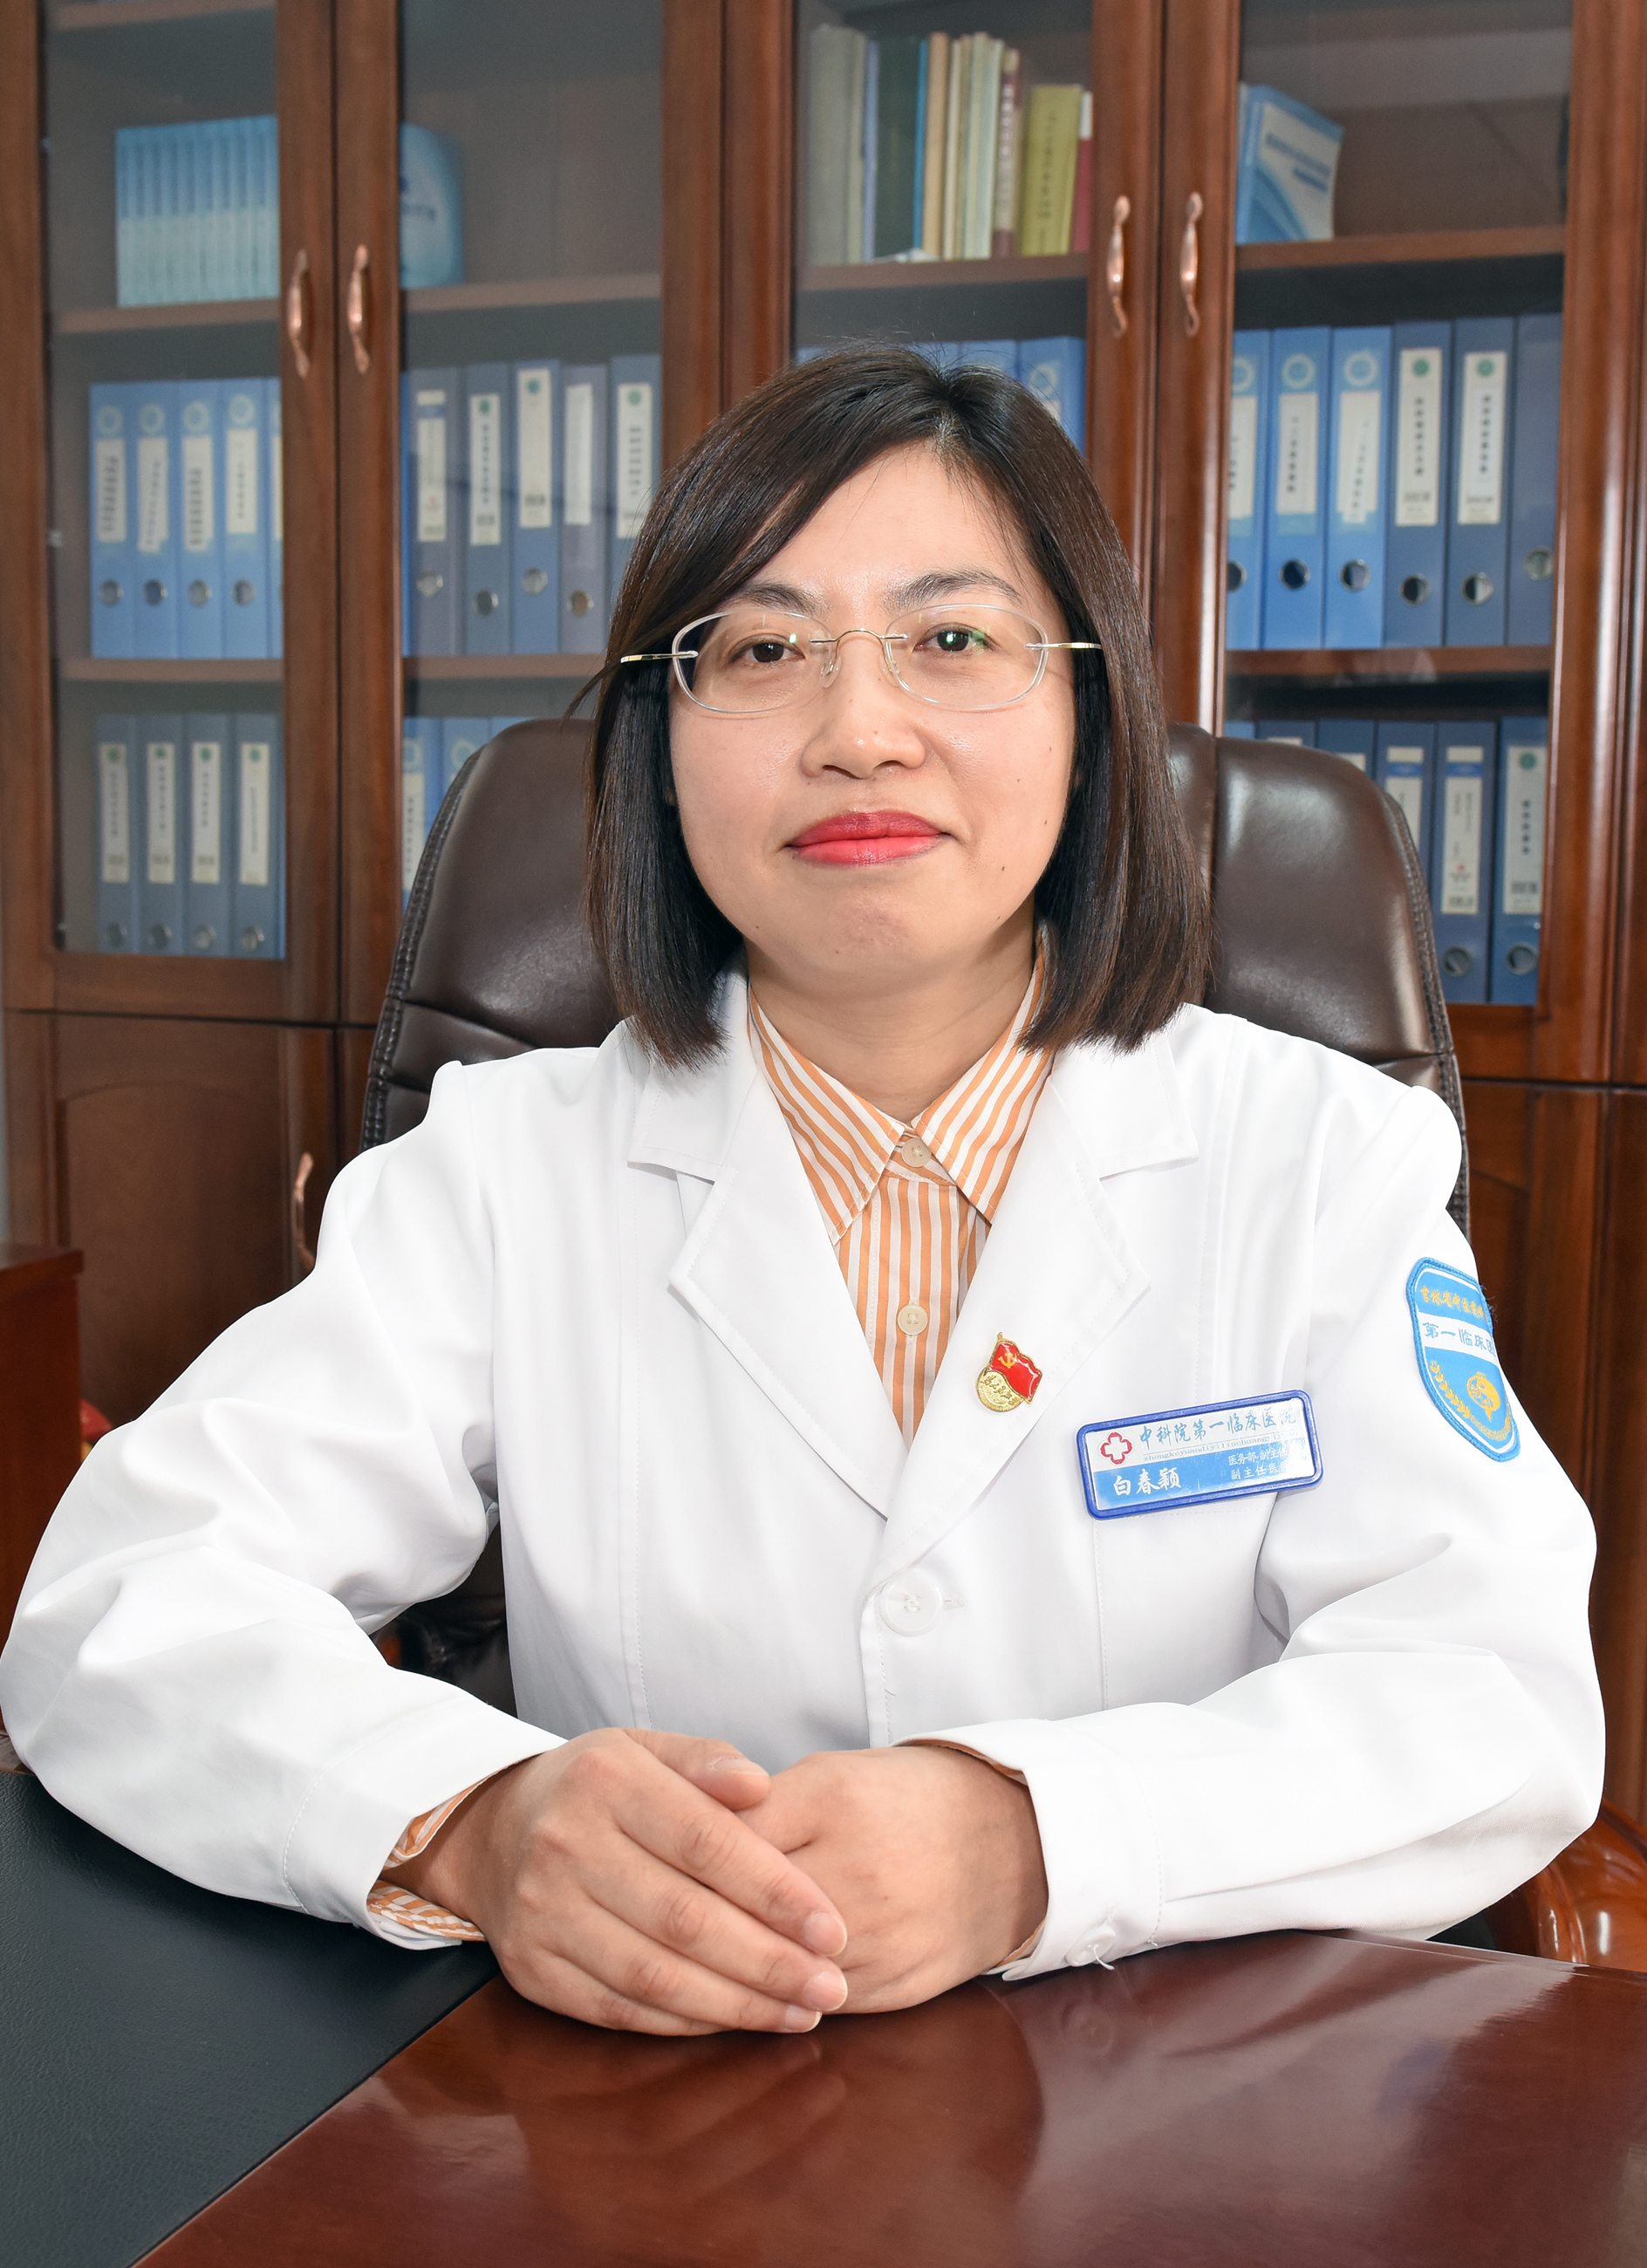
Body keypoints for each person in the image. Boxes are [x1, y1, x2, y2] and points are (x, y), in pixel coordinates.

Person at [0, 349, 1602, 2039]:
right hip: (656, 2100)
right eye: (762, 651)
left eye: (952, 640)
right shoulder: (504, 1170)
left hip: (1178, 2096)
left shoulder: (1317, 1159)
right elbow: (126, 1598)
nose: (859, 734)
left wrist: (1031, 1840)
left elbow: (1484, 1690)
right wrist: (470, 1818)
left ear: (1087, 716)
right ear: (659, 741)